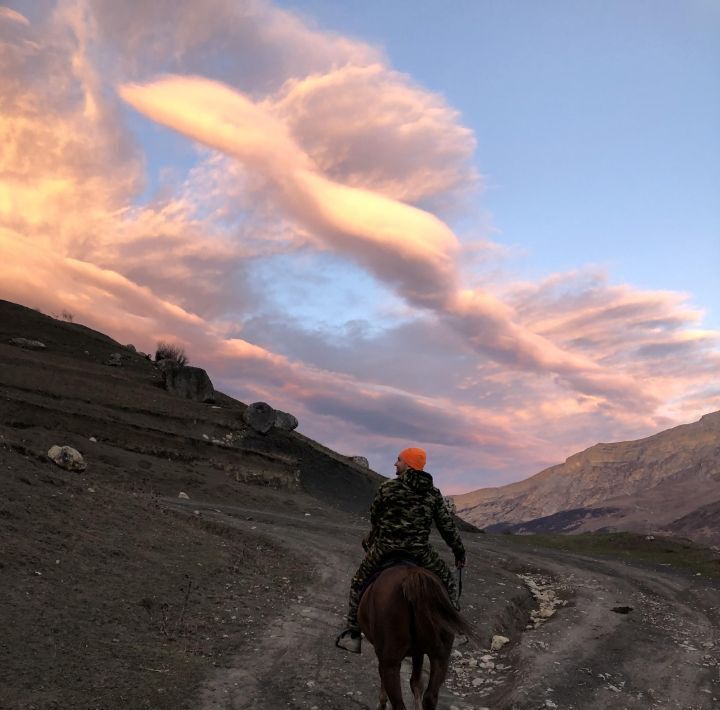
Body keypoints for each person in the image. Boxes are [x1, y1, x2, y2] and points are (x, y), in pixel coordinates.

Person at [336, 447, 466, 654]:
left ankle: (353, 634)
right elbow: (446, 527)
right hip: (420, 552)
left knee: (358, 582)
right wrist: (459, 552)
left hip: (385, 548)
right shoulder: (433, 493)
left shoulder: (388, 488)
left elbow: (375, 517)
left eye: (399, 460)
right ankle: (452, 629)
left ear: (409, 464)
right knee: (448, 583)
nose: (395, 464)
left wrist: (375, 536)